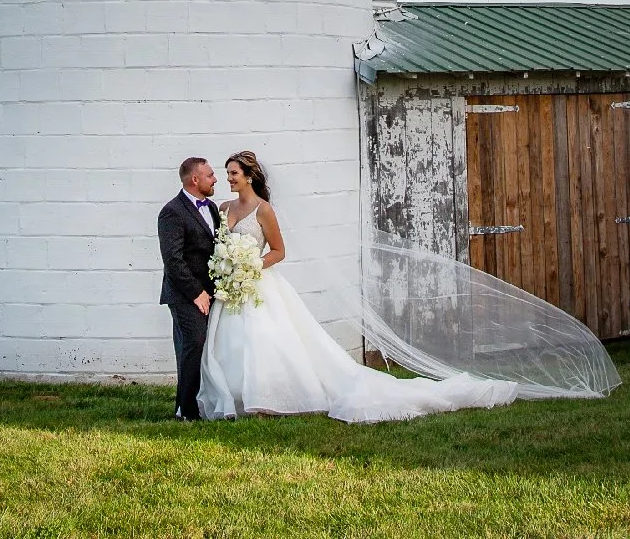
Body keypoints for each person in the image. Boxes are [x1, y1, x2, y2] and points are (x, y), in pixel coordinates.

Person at [198, 152, 518, 424]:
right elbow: (219, 244)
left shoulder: (263, 210)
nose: (229, 179)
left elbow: (279, 252)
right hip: (233, 286)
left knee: (264, 339)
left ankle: (267, 398)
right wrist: (229, 267)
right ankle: (236, 399)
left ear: (249, 177)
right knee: (233, 340)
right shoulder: (224, 208)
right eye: (227, 174)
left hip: (258, 281)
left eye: (234, 174)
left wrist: (251, 266)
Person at [157, 155, 221, 421]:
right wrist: (196, 293)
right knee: (192, 344)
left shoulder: (213, 208)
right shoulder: (172, 211)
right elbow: (173, 259)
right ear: (195, 179)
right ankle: (186, 410)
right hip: (185, 293)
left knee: (202, 347)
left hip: (211, 292)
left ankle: (192, 405)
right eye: (210, 175)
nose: (215, 179)